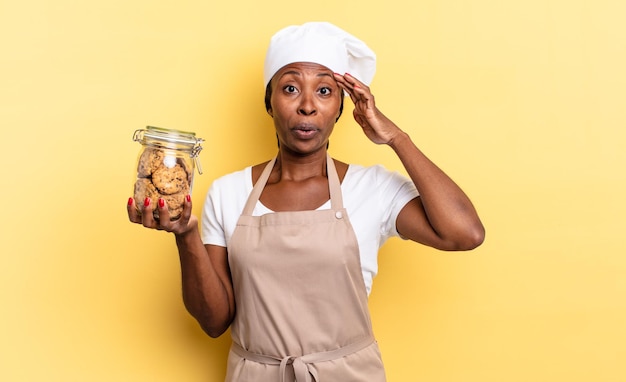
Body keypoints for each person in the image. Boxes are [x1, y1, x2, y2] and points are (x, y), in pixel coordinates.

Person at [127, 21, 484, 382]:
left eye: (325, 90)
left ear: (341, 108)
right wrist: (186, 236)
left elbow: (465, 233)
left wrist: (395, 137)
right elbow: (215, 322)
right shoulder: (228, 192)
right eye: (291, 88)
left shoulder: (371, 187)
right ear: (269, 102)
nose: (308, 106)